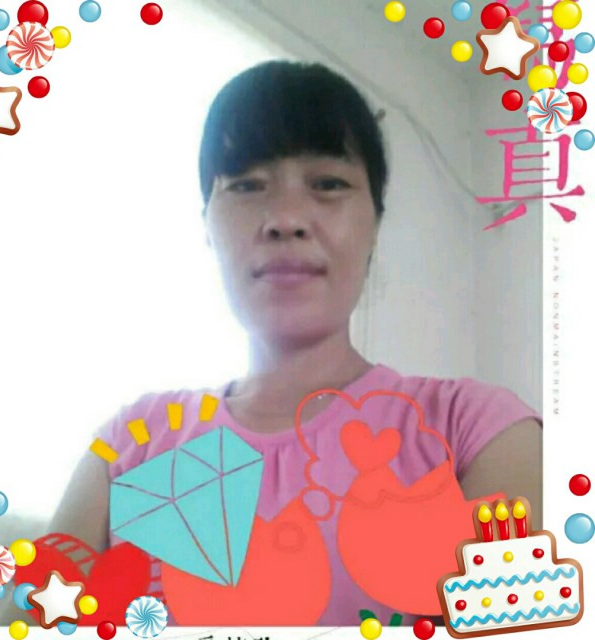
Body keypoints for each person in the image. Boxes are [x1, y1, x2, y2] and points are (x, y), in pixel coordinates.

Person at [49, 61, 542, 626]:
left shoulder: (479, 430)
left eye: (329, 184)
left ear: (376, 223)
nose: (285, 219)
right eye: (245, 185)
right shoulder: (127, 446)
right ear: (207, 223)